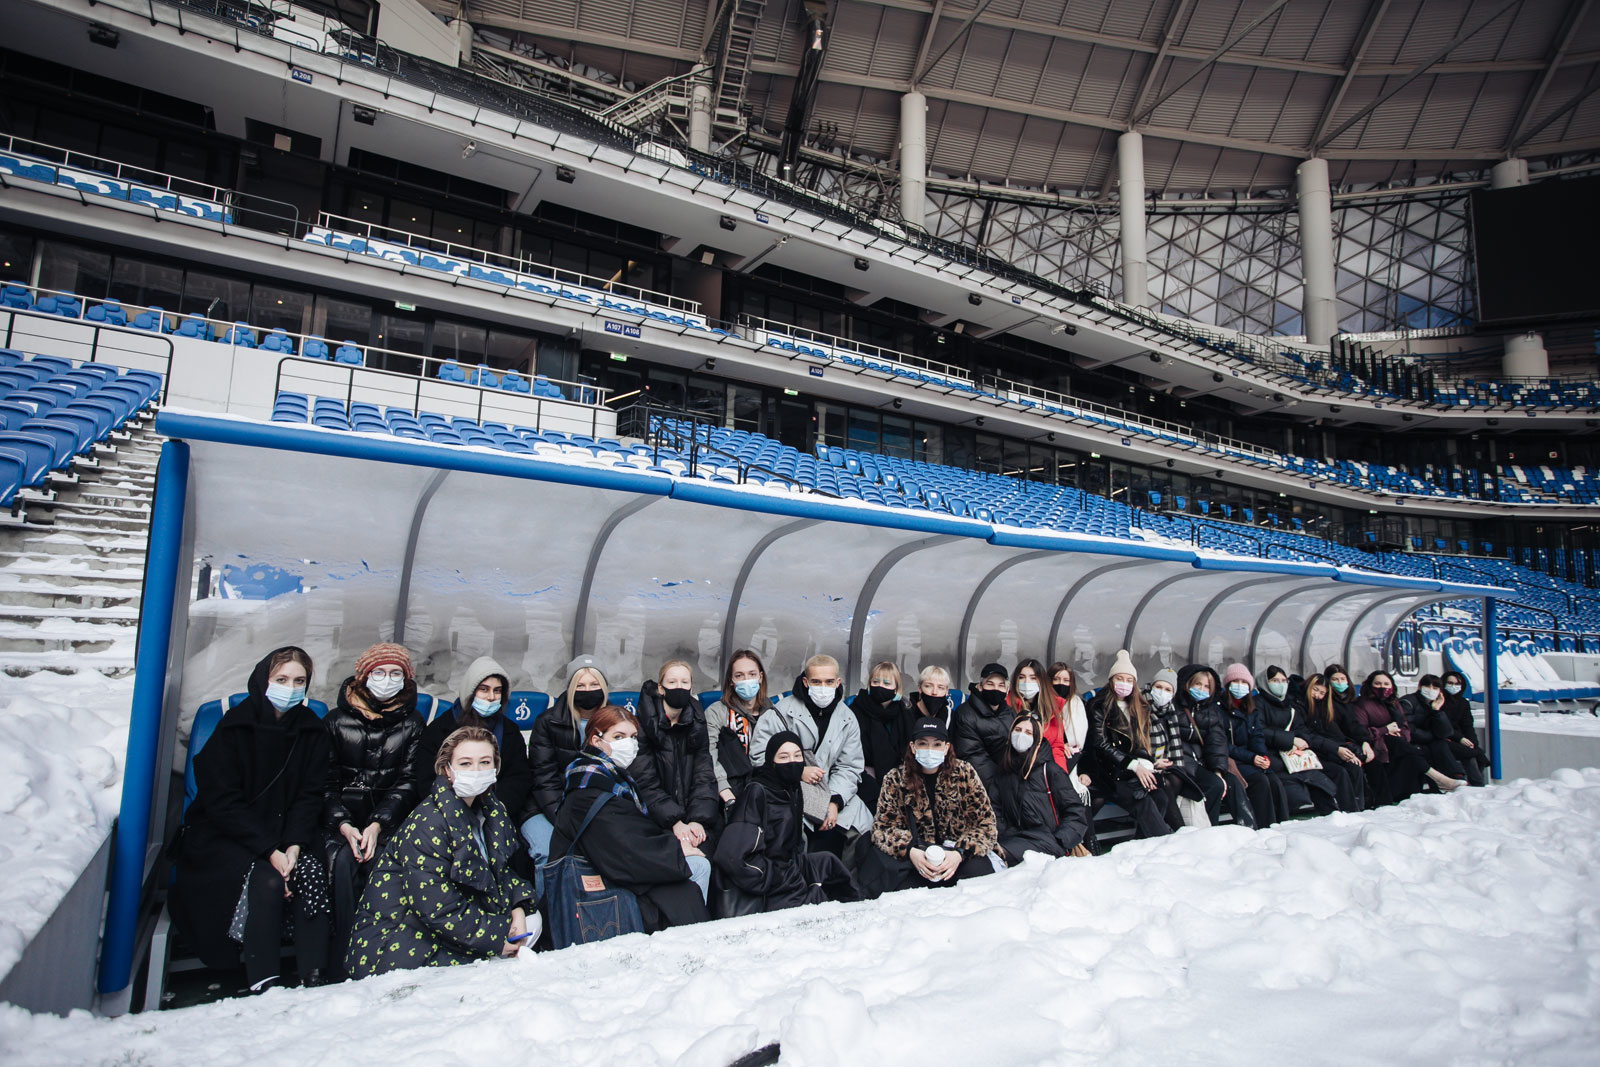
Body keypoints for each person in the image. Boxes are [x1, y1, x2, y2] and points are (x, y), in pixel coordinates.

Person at [170, 647, 332, 994]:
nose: (290, 688)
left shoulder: (312, 731)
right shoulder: (233, 729)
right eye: (281, 679)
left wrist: (293, 845)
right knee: (268, 882)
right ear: (263, 681)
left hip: (287, 831)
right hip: (229, 836)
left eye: (299, 681)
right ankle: (264, 979)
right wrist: (270, 850)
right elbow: (222, 803)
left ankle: (314, 974)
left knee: (312, 872)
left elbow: (309, 794)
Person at [345, 727, 535, 979]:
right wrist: (496, 937)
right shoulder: (428, 822)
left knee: (532, 922)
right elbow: (438, 908)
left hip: (450, 927)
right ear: (447, 770)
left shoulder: (490, 810)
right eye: (465, 763)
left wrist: (518, 908)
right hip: (399, 943)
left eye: (485, 762)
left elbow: (500, 871)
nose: (476, 771)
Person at [548, 705, 711, 932]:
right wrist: (676, 850)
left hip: (618, 866)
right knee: (698, 868)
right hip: (602, 881)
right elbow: (622, 846)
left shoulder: (610, 776)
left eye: (633, 737)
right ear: (596, 740)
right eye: (618, 736)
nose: (629, 743)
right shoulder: (589, 785)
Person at [323, 643, 426, 973]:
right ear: (363, 677)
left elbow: (409, 782)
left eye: (396, 673)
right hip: (338, 824)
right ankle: (340, 956)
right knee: (341, 863)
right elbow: (323, 785)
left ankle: (381, 953)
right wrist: (343, 824)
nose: (387, 680)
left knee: (385, 863)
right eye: (379, 673)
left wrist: (379, 823)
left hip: (386, 823)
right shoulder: (336, 722)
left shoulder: (411, 723)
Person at [713, 731, 861, 913]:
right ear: (772, 762)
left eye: (797, 755)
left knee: (830, 865)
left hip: (788, 866)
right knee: (820, 903)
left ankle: (858, 915)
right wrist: (774, 876)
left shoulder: (793, 789)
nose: (792, 761)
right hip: (768, 880)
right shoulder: (757, 792)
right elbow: (733, 856)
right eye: (784, 757)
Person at [855, 718, 999, 897]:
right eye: (923, 744)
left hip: (955, 855)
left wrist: (959, 853)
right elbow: (882, 828)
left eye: (937, 744)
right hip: (917, 858)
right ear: (913, 747)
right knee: (900, 888)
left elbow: (986, 825)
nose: (930, 750)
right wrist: (910, 852)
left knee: (979, 876)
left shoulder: (964, 773)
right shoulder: (895, 778)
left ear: (946, 748)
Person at [748, 654, 873, 854]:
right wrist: (797, 771)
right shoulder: (780, 712)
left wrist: (834, 800)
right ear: (805, 682)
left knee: (864, 827)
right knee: (791, 829)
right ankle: (799, 881)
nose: (823, 687)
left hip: (831, 788)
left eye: (829, 681)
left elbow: (849, 766)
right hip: (788, 789)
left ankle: (851, 882)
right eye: (816, 681)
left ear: (838, 682)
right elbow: (759, 756)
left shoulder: (847, 718)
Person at [524, 660, 610, 890]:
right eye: (580, 685)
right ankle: (550, 914)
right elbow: (543, 778)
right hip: (546, 807)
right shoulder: (548, 721)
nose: (587, 691)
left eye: (594, 684)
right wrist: (565, 820)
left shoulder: (615, 723)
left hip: (592, 806)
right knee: (547, 851)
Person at [413, 656, 532, 821]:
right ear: (470, 690)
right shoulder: (439, 729)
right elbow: (426, 779)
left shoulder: (510, 731)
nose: (491, 697)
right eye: (484, 689)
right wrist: (455, 809)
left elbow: (518, 777)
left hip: (496, 813)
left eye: (497, 690)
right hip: (446, 814)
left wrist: (497, 809)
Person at [631, 660, 721, 854]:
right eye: (672, 683)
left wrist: (698, 819)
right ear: (660, 688)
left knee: (708, 849)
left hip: (692, 813)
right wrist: (675, 821)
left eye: (684, 682)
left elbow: (704, 775)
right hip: (655, 816)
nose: (679, 687)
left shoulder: (697, 721)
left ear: (691, 688)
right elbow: (644, 781)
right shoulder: (642, 725)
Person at [1085, 650, 1175, 838]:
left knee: (1160, 797)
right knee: (1141, 799)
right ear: (1111, 680)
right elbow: (1100, 744)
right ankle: (1162, 841)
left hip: (1129, 770)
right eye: (1119, 678)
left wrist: (1148, 764)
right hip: (1107, 772)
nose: (1124, 684)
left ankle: (1141, 846)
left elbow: (1140, 744)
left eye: (1129, 680)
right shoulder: (1099, 705)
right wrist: (1135, 766)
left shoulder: (1139, 707)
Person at [992, 713, 1090, 864]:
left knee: (995, 857)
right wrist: (1005, 834)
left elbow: (1075, 812)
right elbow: (995, 810)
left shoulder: (1049, 770)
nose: (1021, 735)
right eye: (1017, 730)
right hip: (1014, 839)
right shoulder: (1003, 771)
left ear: (1036, 738)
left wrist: (1060, 840)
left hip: (1048, 841)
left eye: (1028, 732)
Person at [1173, 664, 1257, 829]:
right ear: (1187, 683)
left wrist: (1218, 770)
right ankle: (1209, 829)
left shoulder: (1211, 710)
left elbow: (1217, 742)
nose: (1202, 689)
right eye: (1198, 684)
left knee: (1231, 782)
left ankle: (1249, 827)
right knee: (1214, 785)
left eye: (1207, 686)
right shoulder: (1175, 707)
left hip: (1203, 763)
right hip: (1183, 764)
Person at [1351, 669, 1448, 805]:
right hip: (1374, 745)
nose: (1382, 687)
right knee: (1410, 751)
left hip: (1397, 745)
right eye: (1378, 684)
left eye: (1386, 684)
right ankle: (1438, 778)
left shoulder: (1394, 703)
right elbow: (1360, 731)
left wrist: (1399, 733)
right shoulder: (1361, 703)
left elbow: (1405, 727)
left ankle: (1416, 793)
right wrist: (1385, 730)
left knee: (1411, 752)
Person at [1254, 664, 1341, 816]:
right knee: (1295, 794)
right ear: (1265, 682)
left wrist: (1301, 741)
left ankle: (1332, 819)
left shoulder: (1289, 705)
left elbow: (1302, 730)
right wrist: (1291, 739)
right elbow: (1259, 730)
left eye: (1283, 681)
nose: (1280, 685)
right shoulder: (1257, 703)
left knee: (1321, 786)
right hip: (1272, 755)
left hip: (1292, 755)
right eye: (1275, 681)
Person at [1219, 663, 1291, 826]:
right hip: (1233, 760)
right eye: (1235, 682)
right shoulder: (1220, 709)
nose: (1240, 686)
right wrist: (1252, 758)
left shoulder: (1250, 709)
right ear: (1228, 684)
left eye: (1244, 683)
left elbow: (1257, 735)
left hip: (1251, 758)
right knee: (1259, 780)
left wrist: (1262, 756)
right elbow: (1223, 743)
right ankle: (1265, 826)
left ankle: (1283, 825)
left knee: (1273, 779)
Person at [704, 649, 769, 806]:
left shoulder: (773, 714)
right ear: (731, 681)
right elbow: (708, 753)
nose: (746, 680)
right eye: (739, 675)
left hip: (764, 790)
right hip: (727, 789)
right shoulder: (717, 711)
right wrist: (723, 789)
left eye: (752, 674)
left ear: (760, 677)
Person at [1298, 672, 1370, 812]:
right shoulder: (1299, 705)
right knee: (1339, 772)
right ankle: (1348, 810)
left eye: (1322, 693)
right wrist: (1337, 749)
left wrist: (1347, 750)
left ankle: (1357, 808)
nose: (1318, 695)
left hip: (1324, 749)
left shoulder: (1323, 708)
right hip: (1310, 752)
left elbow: (1334, 735)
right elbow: (1307, 735)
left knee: (1353, 765)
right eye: (1315, 690)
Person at [852, 661, 914, 812]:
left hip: (898, 773)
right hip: (864, 773)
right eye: (875, 682)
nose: (880, 686)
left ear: (896, 688)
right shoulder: (856, 709)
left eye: (887, 683)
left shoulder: (905, 712)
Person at [954, 661, 1012, 800]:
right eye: (990, 684)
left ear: (1007, 690)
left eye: (1001, 685)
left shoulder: (1010, 713)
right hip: (984, 791)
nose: (996, 689)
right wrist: (1002, 790)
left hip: (1009, 783)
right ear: (980, 686)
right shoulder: (965, 714)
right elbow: (974, 758)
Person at [1401, 675, 1470, 785]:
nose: (1431, 690)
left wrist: (1436, 711)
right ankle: (1449, 779)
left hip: (1430, 741)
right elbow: (1408, 729)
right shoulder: (1408, 702)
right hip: (1412, 741)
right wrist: (1431, 736)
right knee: (1438, 744)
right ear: (1419, 687)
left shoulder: (1435, 704)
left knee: (1443, 744)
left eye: (1435, 688)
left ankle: (1457, 776)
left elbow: (1446, 732)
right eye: (1427, 686)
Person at [1047, 660, 1093, 802]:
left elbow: (1087, 744)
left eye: (1066, 680)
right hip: (1054, 765)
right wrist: (1062, 745)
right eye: (1056, 679)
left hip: (1075, 765)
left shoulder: (1077, 705)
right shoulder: (1043, 705)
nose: (1061, 684)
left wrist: (1085, 772)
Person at [1439, 669, 1491, 786]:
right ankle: (1478, 784)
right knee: (1472, 754)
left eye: (1457, 684)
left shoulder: (1463, 703)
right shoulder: (1439, 701)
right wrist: (1460, 739)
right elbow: (1442, 725)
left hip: (1461, 739)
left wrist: (1473, 742)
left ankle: (1476, 783)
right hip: (1445, 738)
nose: (1453, 686)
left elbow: (1467, 725)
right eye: (1450, 683)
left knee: (1475, 751)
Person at [907, 665, 957, 731]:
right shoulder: (906, 713)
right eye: (928, 686)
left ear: (947, 691)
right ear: (919, 688)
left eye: (940, 688)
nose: (934, 692)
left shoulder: (950, 716)